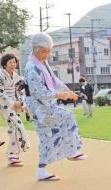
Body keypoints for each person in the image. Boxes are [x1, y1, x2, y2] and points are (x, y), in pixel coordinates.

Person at [23, 32, 87, 181]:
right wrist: (59, 95)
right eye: (45, 51)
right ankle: (71, 151)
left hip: (42, 107)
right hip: (40, 108)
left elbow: (54, 79)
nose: (47, 54)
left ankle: (41, 170)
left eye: (49, 51)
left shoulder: (41, 62)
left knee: (46, 138)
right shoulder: (32, 67)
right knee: (68, 116)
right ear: (36, 50)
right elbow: (39, 93)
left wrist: (67, 90)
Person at [0, 54, 30, 166]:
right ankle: (12, 154)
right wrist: (12, 103)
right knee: (18, 125)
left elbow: (19, 90)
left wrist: (21, 103)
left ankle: (14, 155)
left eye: (14, 62)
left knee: (13, 128)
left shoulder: (16, 76)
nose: (13, 64)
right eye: (10, 62)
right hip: (4, 104)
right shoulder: (0, 76)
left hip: (14, 104)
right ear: (4, 64)